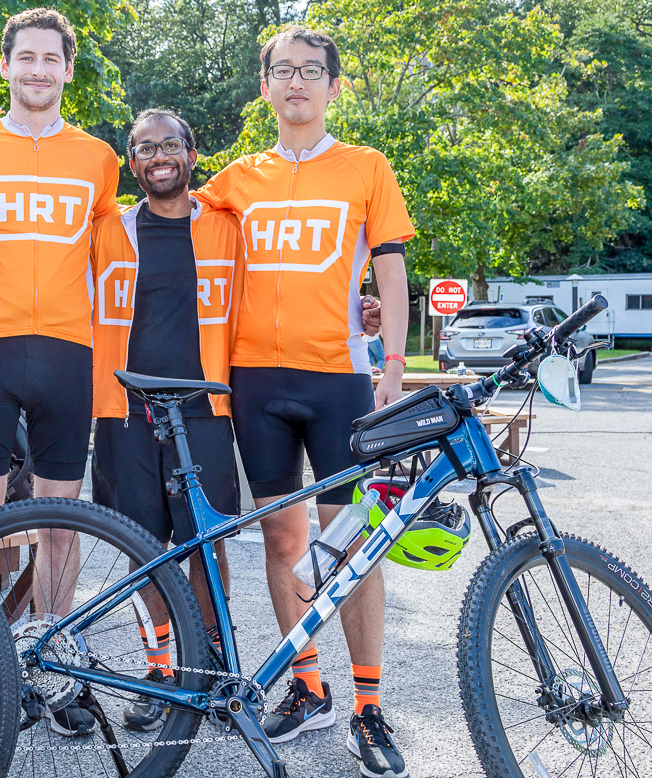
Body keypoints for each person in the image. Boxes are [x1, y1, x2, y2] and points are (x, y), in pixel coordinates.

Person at [194, 25, 414, 778]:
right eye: (282, 71)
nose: (296, 83)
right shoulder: (234, 179)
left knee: (353, 543)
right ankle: (307, 683)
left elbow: (390, 269)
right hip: (255, 381)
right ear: (263, 87)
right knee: (284, 542)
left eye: (311, 72)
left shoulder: (366, 167)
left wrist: (393, 361)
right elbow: (157, 225)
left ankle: (370, 703)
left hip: (338, 380)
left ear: (333, 86)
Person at [0, 7, 120, 740]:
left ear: (68, 70)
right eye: (27, 58)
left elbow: (120, 256)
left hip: (67, 354)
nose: (39, 70)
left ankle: (58, 665)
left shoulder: (99, 157)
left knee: (59, 521)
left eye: (52, 59)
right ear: (6, 65)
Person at [88, 108, 243, 731]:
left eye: (170, 144)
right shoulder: (111, 230)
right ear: (132, 163)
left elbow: (279, 293)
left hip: (205, 408)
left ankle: (209, 669)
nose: (159, 155)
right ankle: (158, 671)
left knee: (208, 543)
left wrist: (358, 314)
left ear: (192, 154)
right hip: (125, 410)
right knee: (143, 549)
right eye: (145, 147)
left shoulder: (227, 229)